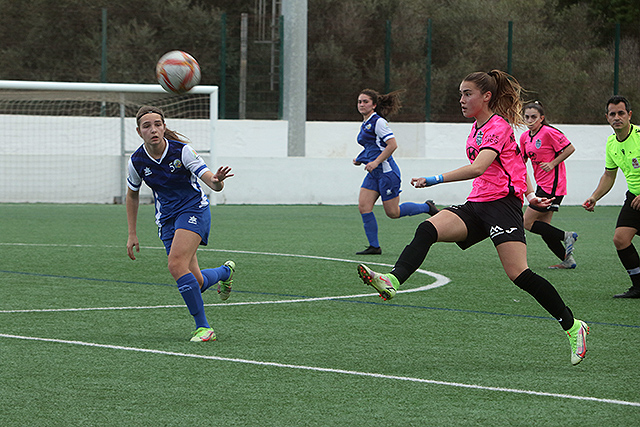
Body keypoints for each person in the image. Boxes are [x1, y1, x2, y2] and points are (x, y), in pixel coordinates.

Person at [357, 70, 589, 365]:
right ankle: (392, 280)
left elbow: (479, 168)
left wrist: (435, 178)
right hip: (476, 205)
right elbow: (516, 165)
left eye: (467, 94)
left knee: (520, 274)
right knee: (427, 228)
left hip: (502, 207)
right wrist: (529, 194)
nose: (462, 100)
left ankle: (573, 326)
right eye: (461, 94)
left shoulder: (498, 127)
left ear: (486, 97)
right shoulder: (477, 129)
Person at [126, 105, 236, 342]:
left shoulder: (183, 151)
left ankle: (204, 328)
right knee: (195, 282)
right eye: (147, 126)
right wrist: (132, 233)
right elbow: (132, 194)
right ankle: (225, 272)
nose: (153, 129)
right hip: (166, 219)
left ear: (164, 127)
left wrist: (217, 182)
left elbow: (209, 179)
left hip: (193, 209)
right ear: (139, 131)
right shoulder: (136, 161)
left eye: (158, 124)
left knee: (176, 265)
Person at [353, 88, 438, 255]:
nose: (361, 104)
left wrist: (376, 162)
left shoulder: (379, 122)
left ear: (374, 105)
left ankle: (427, 207)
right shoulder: (366, 123)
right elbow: (373, 146)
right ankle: (374, 246)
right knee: (364, 206)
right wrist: (360, 158)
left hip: (387, 173)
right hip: (374, 174)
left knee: (393, 212)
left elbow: (392, 145)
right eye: (359, 101)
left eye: (365, 102)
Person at [583, 95, 640, 298]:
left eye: (621, 113)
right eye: (612, 114)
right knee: (621, 239)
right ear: (607, 117)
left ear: (629, 115)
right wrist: (594, 196)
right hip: (634, 198)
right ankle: (639, 286)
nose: (617, 117)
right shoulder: (611, 143)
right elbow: (609, 174)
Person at [520, 101, 578, 269]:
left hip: (553, 185)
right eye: (527, 117)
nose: (530, 120)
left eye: (534, 117)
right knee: (544, 228)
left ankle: (566, 235)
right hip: (541, 185)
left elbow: (570, 148)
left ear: (541, 118)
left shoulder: (548, 132)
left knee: (526, 222)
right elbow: (521, 161)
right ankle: (567, 260)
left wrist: (553, 163)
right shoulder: (525, 137)